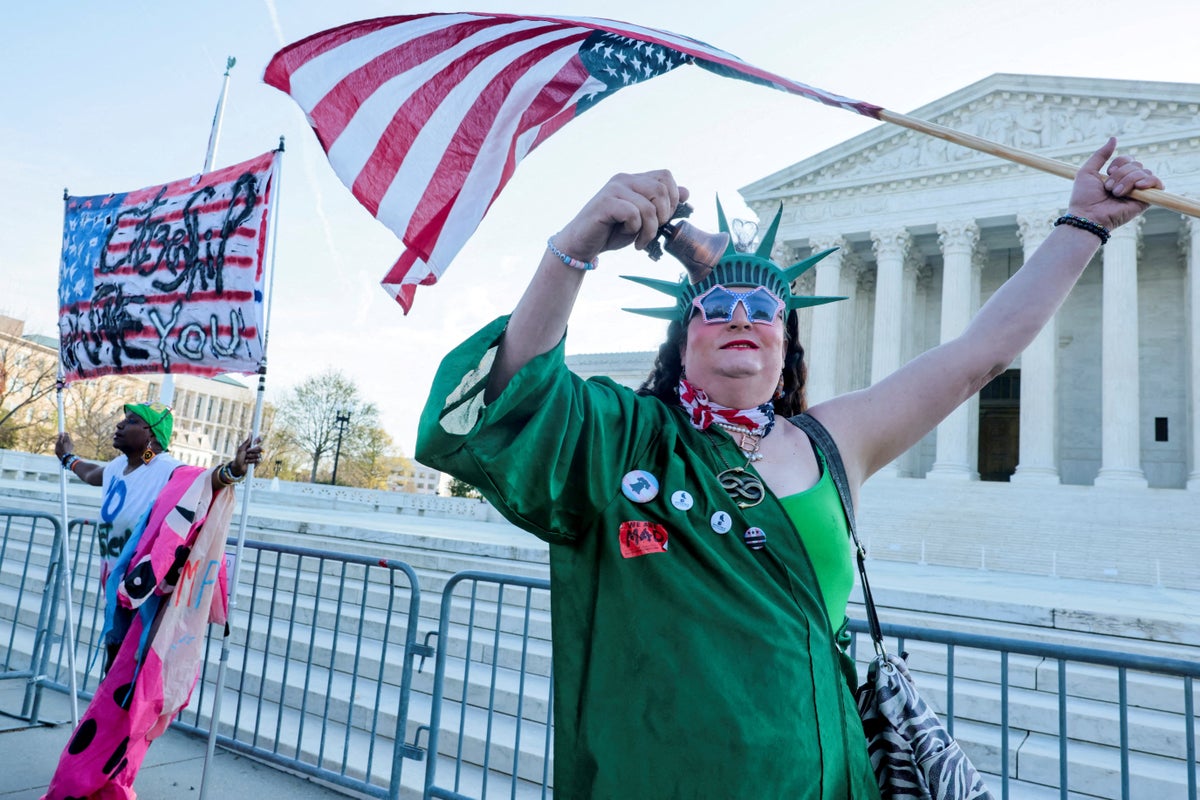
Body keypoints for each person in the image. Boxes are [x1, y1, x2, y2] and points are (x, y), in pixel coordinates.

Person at [416, 138, 1161, 798]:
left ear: (786, 346)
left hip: (825, 770)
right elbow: (518, 396)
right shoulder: (626, 440)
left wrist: (1083, 225)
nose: (740, 316)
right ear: (682, 344)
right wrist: (573, 248)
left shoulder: (835, 441)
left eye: (762, 309)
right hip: (662, 773)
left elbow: (978, 356)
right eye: (715, 308)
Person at [45, 402, 262, 800]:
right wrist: (68, 457)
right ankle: (102, 767)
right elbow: (93, 475)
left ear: (152, 437)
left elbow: (204, 481)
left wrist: (232, 470)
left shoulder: (165, 468)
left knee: (130, 688)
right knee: (115, 682)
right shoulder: (116, 467)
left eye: (131, 422)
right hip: (117, 596)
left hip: (145, 599)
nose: (120, 425)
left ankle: (110, 773)